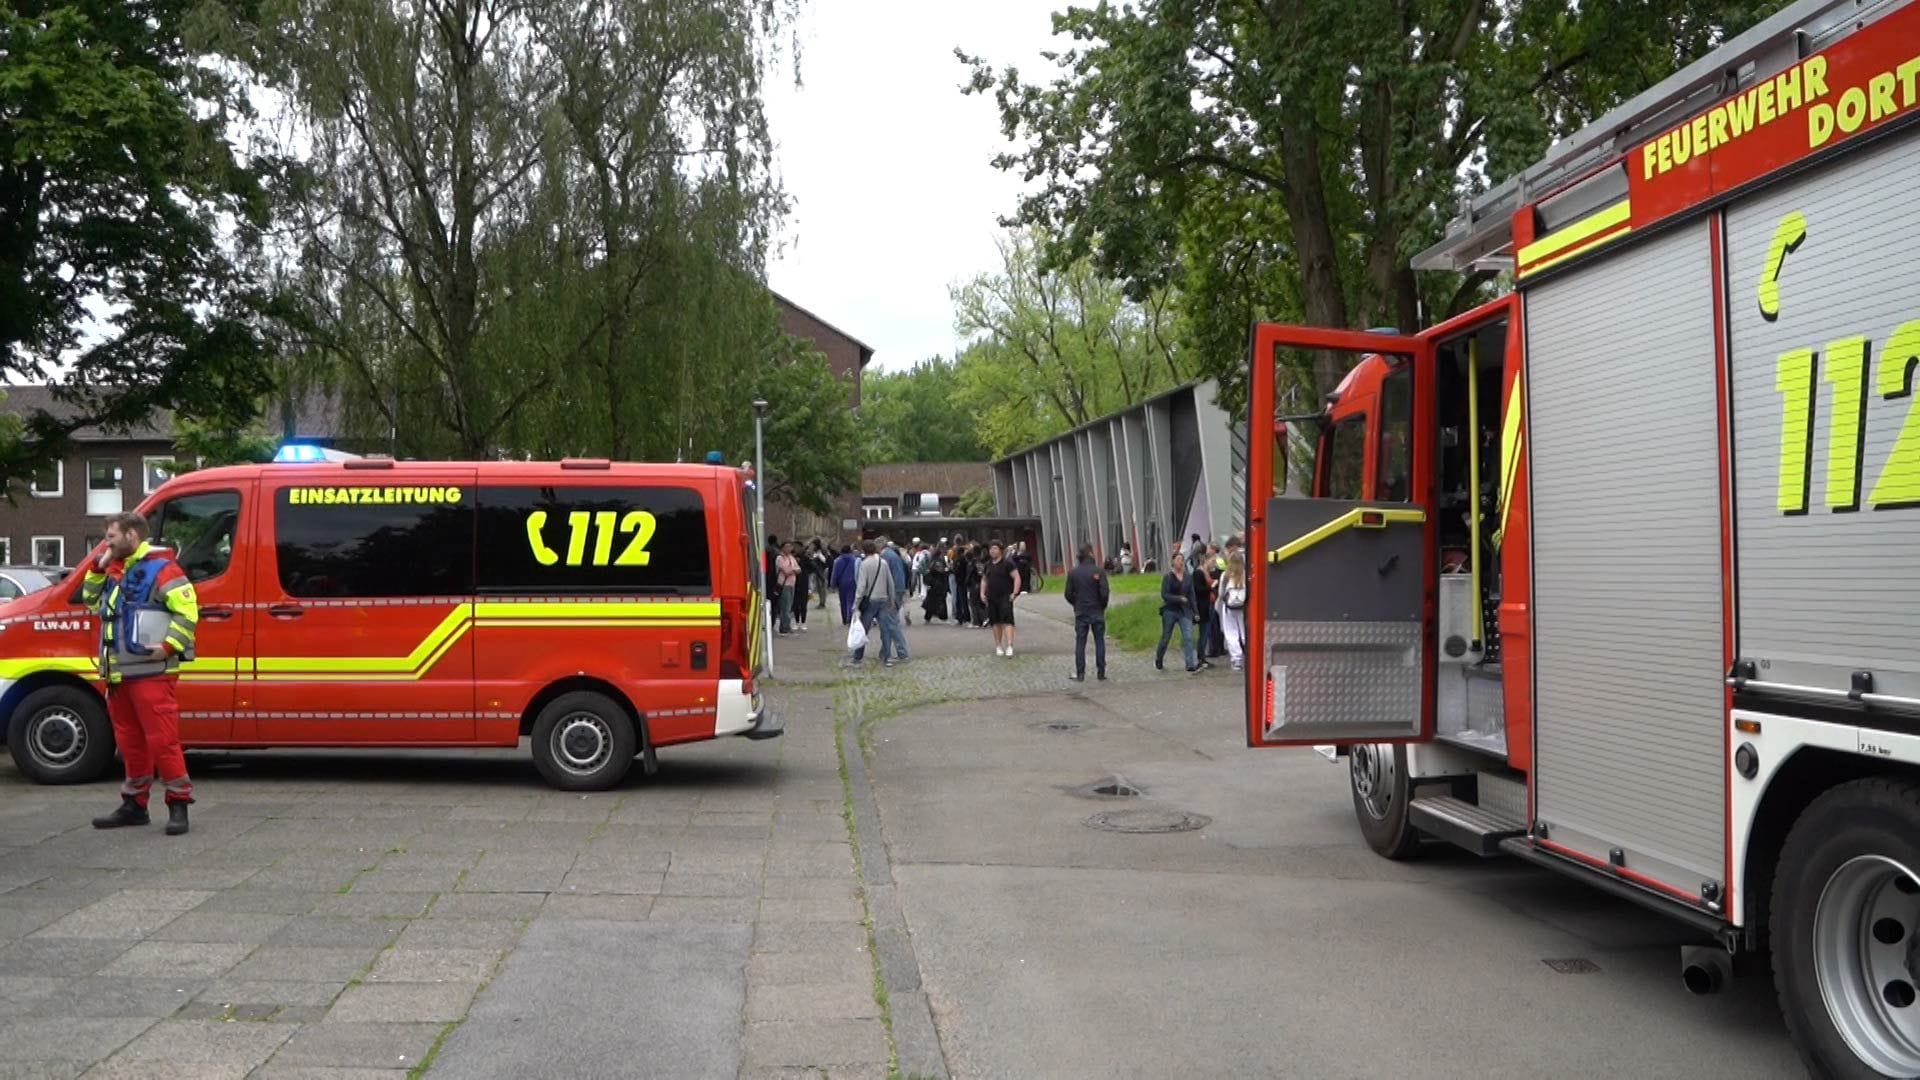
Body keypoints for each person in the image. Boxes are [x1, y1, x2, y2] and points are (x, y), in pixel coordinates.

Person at [85, 512, 199, 835]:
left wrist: (168, 646)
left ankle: (179, 804)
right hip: (119, 676)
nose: (105, 543)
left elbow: (188, 612)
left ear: (132, 536)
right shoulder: (114, 569)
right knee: (130, 743)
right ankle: (135, 805)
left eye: (111, 537)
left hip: (152, 673)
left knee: (163, 741)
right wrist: (99, 565)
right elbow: (91, 602)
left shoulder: (162, 569)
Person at [852, 540, 905, 666]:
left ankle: (857, 657)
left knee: (863, 629)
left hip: (870, 601)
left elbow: (861, 586)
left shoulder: (864, 564)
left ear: (864, 551)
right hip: (884, 600)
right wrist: (892, 599)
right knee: (885, 630)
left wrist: (856, 603)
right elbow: (890, 583)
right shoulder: (883, 563)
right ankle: (886, 657)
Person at [1064, 543, 1110, 682]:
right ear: (1090, 554)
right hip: (1097, 610)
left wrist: (1076, 603)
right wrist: (1101, 606)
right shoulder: (1099, 571)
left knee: (1080, 642)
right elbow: (1104, 593)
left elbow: (1068, 594)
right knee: (1099, 641)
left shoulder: (1073, 573)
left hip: (1081, 611)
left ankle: (1080, 673)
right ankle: (1101, 672)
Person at [1156, 551, 1199, 674]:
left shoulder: (1188, 577)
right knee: (1166, 637)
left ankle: (1190, 664)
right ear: (1173, 562)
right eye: (1178, 559)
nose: (1181, 562)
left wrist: (1195, 612)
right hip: (1170, 610)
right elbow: (1164, 595)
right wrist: (1178, 598)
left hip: (1184, 611)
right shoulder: (1168, 577)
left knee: (1188, 637)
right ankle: (1159, 658)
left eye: (1182, 559)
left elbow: (1192, 596)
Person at [981, 540, 1021, 657]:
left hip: (1005, 596)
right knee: (995, 622)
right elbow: (984, 579)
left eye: (995, 548)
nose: (992, 551)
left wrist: (1015, 592)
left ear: (1000, 550)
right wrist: (982, 593)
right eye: (991, 549)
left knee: (1008, 621)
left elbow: (1016, 577)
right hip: (992, 597)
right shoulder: (987, 565)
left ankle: (1009, 645)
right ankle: (998, 645)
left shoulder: (1008, 563)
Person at [1219, 549, 1250, 672]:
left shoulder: (1225, 575)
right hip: (1242, 608)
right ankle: (1248, 653)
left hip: (1229, 608)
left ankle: (1237, 660)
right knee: (1244, 632)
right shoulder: (1246, 575)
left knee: (1231, 633)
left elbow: (1221, 593)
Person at [831, 544, 860, 625]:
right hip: (853, 582)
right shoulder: (855, 560)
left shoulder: (837, 561)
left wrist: (832, 584)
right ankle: (850, 618)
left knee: (843, 601)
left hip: (842, 583)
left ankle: (844, 619)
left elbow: (835, 574)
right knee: (850, 600)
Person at [775, 542, 799, 635]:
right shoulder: (780, 558)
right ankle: (784, 627)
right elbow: (786, 571)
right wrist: (793, 570)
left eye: (791, 547)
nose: (790, 548)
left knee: (789, 606)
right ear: (783, 548)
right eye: (787, 547)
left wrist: (793, 569)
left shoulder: (791, 557)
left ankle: (787, 625)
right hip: (784, 585)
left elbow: (798, 569)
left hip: (792, 584)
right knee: (785, 606)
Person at [921, 545, 950, 623]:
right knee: (939, 600)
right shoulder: (938, 561)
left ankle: (928, 616)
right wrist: (947, 570)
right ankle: (942, 616)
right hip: (938, 583)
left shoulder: (932, 560)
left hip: (933, 583)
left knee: (931, 601)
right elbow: (941, 571)